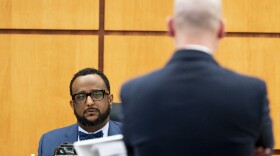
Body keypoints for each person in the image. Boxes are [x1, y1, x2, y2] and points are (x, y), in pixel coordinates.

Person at [120, 0, 274, 155]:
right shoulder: (252, 91)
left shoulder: (133, 92)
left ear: (171, 27)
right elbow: (264, 150)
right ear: (221, 29)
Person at [38, 68, 122, 156]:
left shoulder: (133, 137)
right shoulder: (49, 141)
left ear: (110, 100)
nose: (89, 102)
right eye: (80, 96)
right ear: (72, 105)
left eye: (97, 94)